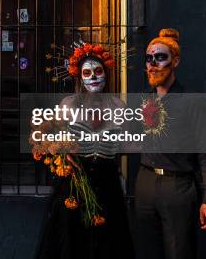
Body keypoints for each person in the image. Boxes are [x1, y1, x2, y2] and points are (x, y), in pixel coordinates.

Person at [35, 43, 135, 259]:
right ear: (79, 77)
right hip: (75, 181)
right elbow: (43, 135)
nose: (93, 78)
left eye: (98, 71)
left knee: (108, 240)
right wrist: (61, 150)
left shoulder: (118, 106)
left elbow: (127, 142)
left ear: (106, 73)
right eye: (87, 73)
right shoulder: (68, 105)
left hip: (107, 181)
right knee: (73, 240)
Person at [135, 28, 206, 259]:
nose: (152, 64)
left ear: (176, 61)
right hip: (145, 182)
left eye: (160, 57)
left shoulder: (192, 102)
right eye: (149, 58)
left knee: (179, 252)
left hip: (177, 186)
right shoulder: (143, 99)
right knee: (146, 250)